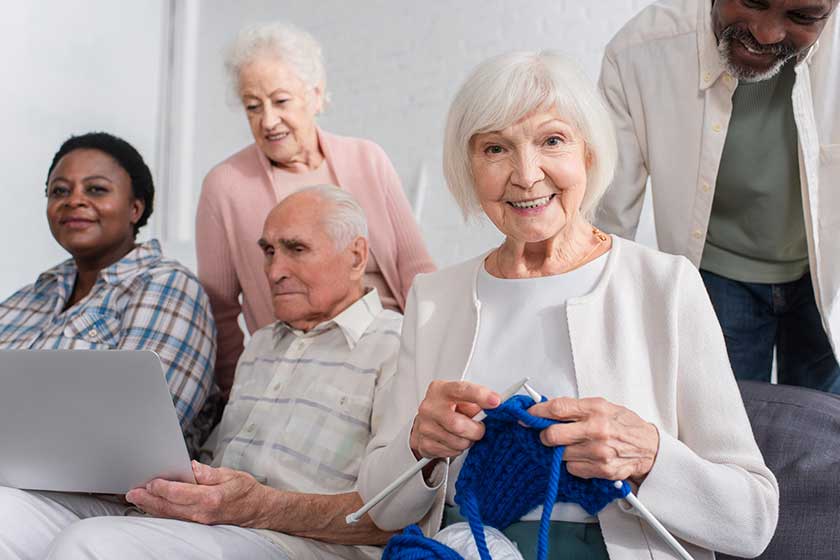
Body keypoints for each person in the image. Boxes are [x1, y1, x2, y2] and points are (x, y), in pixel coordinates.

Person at [358, 52, 779, 560]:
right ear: (469, 169)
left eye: (552, 141)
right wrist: (417, 447)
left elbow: (753, 521)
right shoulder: (433, 299)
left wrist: (648, 456)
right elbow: (379, 509)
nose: (526, 175)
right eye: (496, 148)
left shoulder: (665, 286)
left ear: (590, 154)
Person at [0, 186, 402, 559]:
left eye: (296, 249)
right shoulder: (262, 344)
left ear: (356, 256)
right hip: (202, 519)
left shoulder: (397, 345)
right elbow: (221, 457)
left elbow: (397, 511)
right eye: (268, 251)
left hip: (296, 542)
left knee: (90, 544)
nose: (274, 270)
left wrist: (260, 507)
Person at [596, 0, 840, 392]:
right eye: (753, 1)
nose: (766, 34)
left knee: (825, 433)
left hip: (828, 277)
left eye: (802, 17)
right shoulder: (640, 52)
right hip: (719, 278)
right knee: (726, 432)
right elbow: (607, 212)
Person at [197, 21, 435, 399]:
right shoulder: (225, 185)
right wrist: (241, 394)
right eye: (253, 107)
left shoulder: (366, 159)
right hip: (296, 368)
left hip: (390, 352)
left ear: (316, 95)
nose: (268, 121)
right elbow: (219, 311)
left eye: (281, 101)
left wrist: (433, 359)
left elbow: (416, 270)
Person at [0, 131, 217, 455]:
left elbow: (136, 435)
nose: (73, 200)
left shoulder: (166, 286)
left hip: (99, 493)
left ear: (135, 208)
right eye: (59, 191)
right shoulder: (26, 299)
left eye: (96, 189)